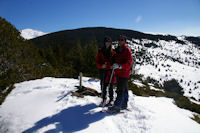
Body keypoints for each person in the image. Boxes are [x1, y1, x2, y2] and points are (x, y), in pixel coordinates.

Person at [108, 35, 132, 113]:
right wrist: (112, 64)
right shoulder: (118, 49)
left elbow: (129, 63)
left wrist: (120, 66)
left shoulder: (127, 50)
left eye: (121, 40)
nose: (120, 41)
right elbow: (114, 58)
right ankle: (124, 104)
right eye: (119, 39)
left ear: (125, 41)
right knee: (124, 89)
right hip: (118, 72)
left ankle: (117, 106)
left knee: (120, 90)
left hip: (124, 73)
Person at [96, 36, 116, 107]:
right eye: (106, 41)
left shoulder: (113, 52)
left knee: (110, 86)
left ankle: (111, 100)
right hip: (102, 70)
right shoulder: (100, 51)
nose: (107, 43)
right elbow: (97, 61)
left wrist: (112, 65)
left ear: (111, 43)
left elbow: (114, 61)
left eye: (109, 42)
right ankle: (103, 99)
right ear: (104, 42)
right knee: (103, 85)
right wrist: (101, 65)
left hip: (110, 71)